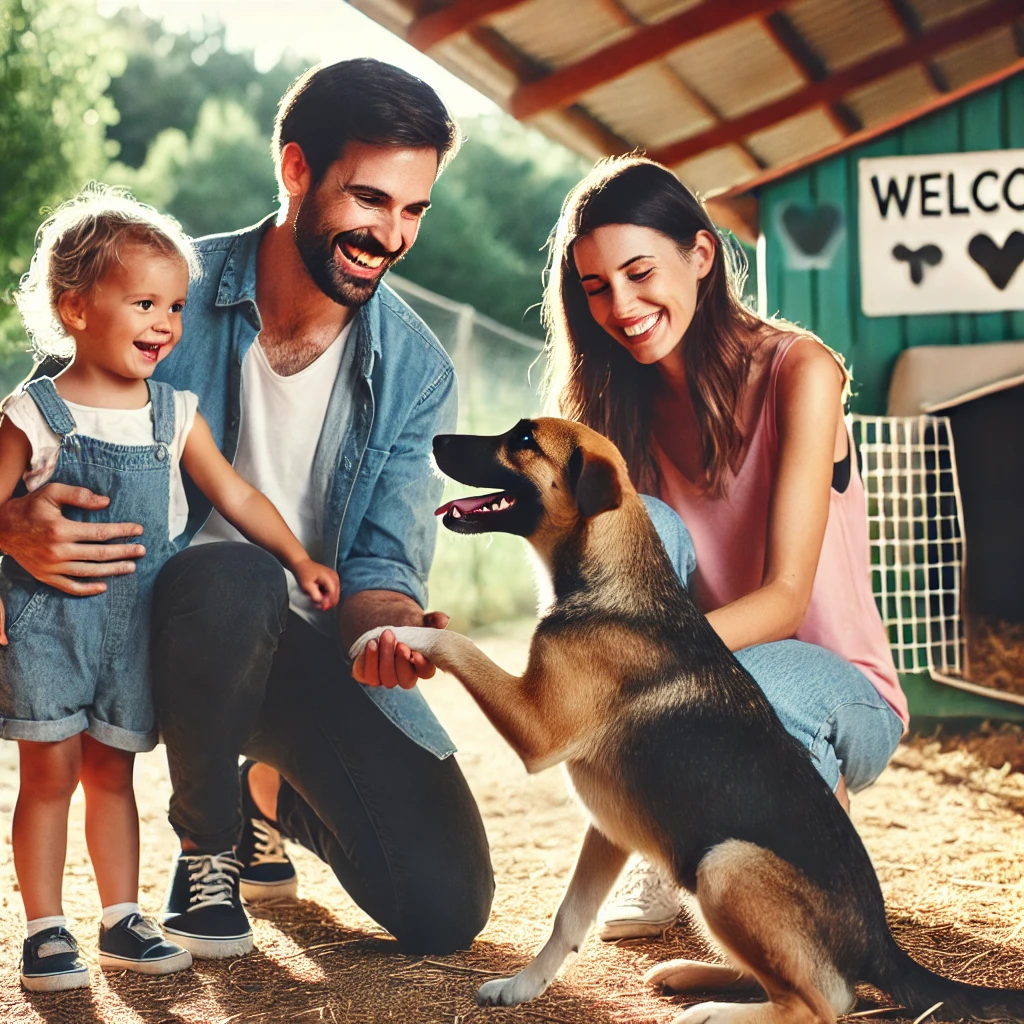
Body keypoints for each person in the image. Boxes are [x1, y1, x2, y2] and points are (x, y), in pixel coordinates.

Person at [0, 59, 493, 960]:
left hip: (301, 653)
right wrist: (8, 526)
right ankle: (209, 844)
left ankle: (269, 792)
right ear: (296, 169)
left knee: (446, 905)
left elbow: (382, 566)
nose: (390, 234)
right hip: (150, 615)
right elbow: (38, 426)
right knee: (234, 574)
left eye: (413, 210)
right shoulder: (159, 285)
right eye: (369, 199)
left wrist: (392, 630)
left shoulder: (418, 369)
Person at [542, 156, 907, 940]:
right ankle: (675, 835)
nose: (623, 306)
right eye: (597, 288)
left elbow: (787, 599)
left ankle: (821, 911)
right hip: (700, 691)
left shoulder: (800, 372)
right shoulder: (617, 402)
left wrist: (642, 665)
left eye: (640, 273)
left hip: (839, 689)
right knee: (641, 528)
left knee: (747, 690)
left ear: (701, 256)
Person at [0, 187, 340, 990]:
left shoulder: (175, 414)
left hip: (132, 633)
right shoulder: (33, 412)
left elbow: (238, 494)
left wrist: (299, 558)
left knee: (112, 775)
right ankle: (45, 931)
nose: (165, 324)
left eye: (177, 306)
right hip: (48, 628)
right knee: (47, 777)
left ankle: (121, 918)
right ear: (75, 308)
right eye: (144, 302)